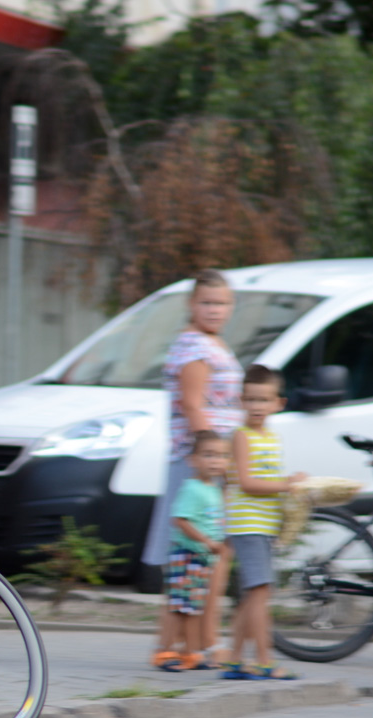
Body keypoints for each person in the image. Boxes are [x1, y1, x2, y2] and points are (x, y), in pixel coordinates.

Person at [144, 269, 243, 663]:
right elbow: (192, 405)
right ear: (191, 304)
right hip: (197, 466)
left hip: (207, 464)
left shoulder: (210, 343)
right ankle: (196, 644)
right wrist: (214, 462)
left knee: (202, 558)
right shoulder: (194, 347)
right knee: (199, 556)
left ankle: (188, 644)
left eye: (222, 303)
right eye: (207, 302)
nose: (215, 310)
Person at [223, 366, 306, 680]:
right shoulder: (242, 437)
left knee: (254, 594)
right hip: (248, 524)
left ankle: (233, 660)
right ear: (240, 401)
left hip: (264, 524)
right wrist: (286, 485)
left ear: (278, 403)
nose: (257, 406)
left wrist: (290, 484)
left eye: (264, 400)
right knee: (260, 592)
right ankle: (264, 661)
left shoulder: (271, 438)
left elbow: (268, 478)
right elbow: (246, 483)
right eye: (251, 399)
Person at [151, 430, 231, 672]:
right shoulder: (192, 488)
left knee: (193, 607)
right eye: (208, 455)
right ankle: (164, 652)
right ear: (193, 460)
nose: (215, 461)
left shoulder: (214, 489)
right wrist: (207, 541)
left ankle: (190, 654)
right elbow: (180, 520)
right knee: (180, 607)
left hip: (201, 557)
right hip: (186, 555)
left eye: (221, 456)